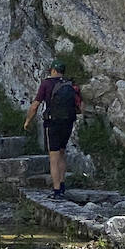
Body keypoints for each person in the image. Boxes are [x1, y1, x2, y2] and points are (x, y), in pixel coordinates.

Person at [24, 59, 83, 198]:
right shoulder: (70, 84)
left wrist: (27, 121)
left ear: (54, 70)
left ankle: (56, 191)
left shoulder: (46, 84)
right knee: (62, 153)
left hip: (53, 123)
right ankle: (62, 185)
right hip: (68, 122)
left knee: (54, 157)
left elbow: (35, 106)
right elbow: (81, 105)